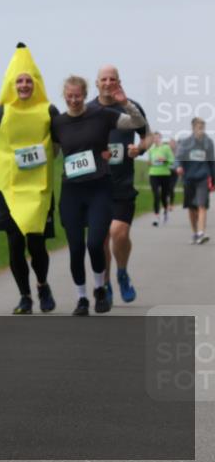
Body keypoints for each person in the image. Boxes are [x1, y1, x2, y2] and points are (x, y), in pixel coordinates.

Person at [0, 43, 58, 315]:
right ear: (11, 84)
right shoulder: (1, 111)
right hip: (10, 190)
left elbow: (69, 134)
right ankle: (25, 296)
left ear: (36, 83)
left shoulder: (49, 111)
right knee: (15, 246)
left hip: (39, 191)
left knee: (36, 245)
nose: (24, 85)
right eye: (19, 81)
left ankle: (42, 284)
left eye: (28, 80)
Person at [51, 75, 145, 316]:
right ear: (64, 96)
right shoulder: (58, 123)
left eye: (78, 96)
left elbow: (137, 123)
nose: (74, 100)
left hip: (99, 189)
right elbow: (51, 153)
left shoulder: (101, 115)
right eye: (69, 96)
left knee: (95, 244)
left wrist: (125, 103)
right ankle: (82, 298)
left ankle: (100, 289)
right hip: (71, 191)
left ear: (85, 95)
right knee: (75, 248)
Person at [87, 66, 149, 305]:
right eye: (103, 79)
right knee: (102, 238)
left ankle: (122, 272)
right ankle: (105, 282)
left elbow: (148, 137)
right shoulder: (88, 110)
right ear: (97, 83)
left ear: (119, 82)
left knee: (119, 233)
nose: (108, 82)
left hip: (122, 183)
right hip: (96, 185)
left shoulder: (130, 107)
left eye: (112, 79)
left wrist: (139, 149)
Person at [175, 117, 215, 244]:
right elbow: (178, 158)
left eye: (203, 127)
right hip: (189, 178)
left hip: (203, 178)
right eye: (199, 127)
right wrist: (178, 167)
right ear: (193, 128)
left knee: (202, 205)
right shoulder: (185, 142)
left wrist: (213, 179)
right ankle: (195, 233)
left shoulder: (208, 142)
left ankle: (201, 233)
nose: (201, 130)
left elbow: (212, 162)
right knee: (191, 208)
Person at [147, 131, 177, 226]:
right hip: (153, 174)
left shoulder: (166, 148)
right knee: (156, 195)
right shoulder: (151, 149)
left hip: (165, 174)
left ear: (160, 138)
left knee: (164, 196)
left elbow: (172, 160)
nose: (155, 139)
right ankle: (156, 217)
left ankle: (165, 211)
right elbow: (149, 161)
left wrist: (165, 160)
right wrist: (149, 163)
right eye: (154, 138)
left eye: (157, 137)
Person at [168, 136, 181, 207]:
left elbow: (180, 162)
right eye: (171, 143)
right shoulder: (166, 151)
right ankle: (166, 202)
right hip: (167, 171)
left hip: (175, 172)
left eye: (173, 143)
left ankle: (171, 203)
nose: (172, 144)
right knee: (166, 188)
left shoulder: (178, 153)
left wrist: (179, 168)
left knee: (171, 187)